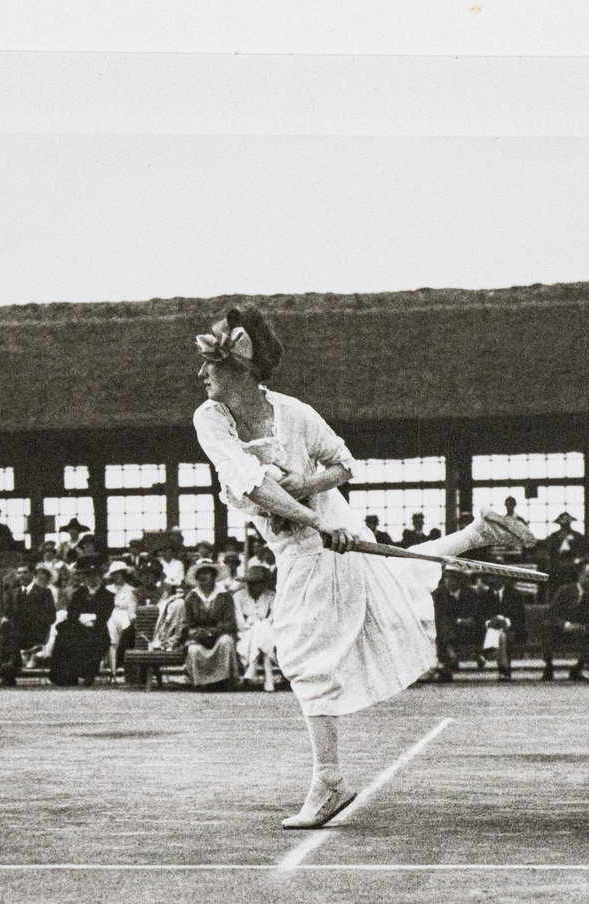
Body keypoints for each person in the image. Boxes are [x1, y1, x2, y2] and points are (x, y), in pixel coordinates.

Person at [193, 303, 531, 826]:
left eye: (210, 364)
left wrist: (310, 495)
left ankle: (328, 781)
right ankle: (476, 533)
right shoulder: (211, 420)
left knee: (303, 655)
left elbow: (343, 463)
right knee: (398, 576)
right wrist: (311, 516)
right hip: (311, 538)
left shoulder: (296, 413)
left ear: (238, 366)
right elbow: (251, 483)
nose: (201, 373)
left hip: (329, 536)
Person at [48, 556, 114, 685]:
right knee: (64, 633)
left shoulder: (108, 595)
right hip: (78, 627)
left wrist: (87, 618)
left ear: (100, 576)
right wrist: (83, 619)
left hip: (98, 630)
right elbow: (72, 612)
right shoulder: (78, 593)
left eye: (95, 575)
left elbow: (103, 616)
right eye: (88, 575)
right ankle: (64, 675)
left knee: (89, 638)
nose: (91, 578)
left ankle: (88, 673)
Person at [541, 563, 589, 681]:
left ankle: (578, 669)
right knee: (548, 628)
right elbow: (552, 613)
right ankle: (548, 667)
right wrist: (565, 624)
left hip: (581, 632)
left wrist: (584, 627)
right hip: (561, 630)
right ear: (580, 575)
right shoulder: (564, 590)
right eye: (587, 576)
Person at [181, 559, 240, 689]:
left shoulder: (224, 596)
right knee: (194, 649)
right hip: (199, 638)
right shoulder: (192, 597)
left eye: (207, 572)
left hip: (220, 635)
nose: (203, 576)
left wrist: (213, 631)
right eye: (200, 573)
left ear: (214, 575)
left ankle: (223, 681)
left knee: (226, 642)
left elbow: (230, 622)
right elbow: (186, 623)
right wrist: (192, 632)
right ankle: (202, 682)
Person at [0, 565, 58, 685]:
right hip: (16, 633)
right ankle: (11, 668)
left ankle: (10, 672)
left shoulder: (44, 592)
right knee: (7, 629)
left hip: (36, 633)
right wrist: (4, 618)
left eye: (25, 572)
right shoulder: (13, 593)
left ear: (32, 575)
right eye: (19, 573)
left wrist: (30, 621)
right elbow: (7, 613)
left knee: (10, 636)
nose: (22, 575)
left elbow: (51, 617)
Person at [234, 561, 280, 690]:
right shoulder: (238, 596)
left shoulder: (271, 595)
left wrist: (263, 623)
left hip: (267, 629)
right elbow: (238, 619)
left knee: (262, 627)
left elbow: (274, 616)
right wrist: (251, 626)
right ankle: (268, 677)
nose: (255, 586)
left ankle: (252, 667)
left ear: (264, 583)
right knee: (260, 631)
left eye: (259, 583)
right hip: (245, 631)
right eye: (252, 583)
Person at [542, 512, 584, 590]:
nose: (565, 526)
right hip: (557, 564)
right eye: (563, 523)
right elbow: (549, 551)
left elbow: (582, 551)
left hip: (573, 564)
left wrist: (577, 560)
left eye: (567, 523)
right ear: (559, 524)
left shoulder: (578, 536)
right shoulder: (554, 536)